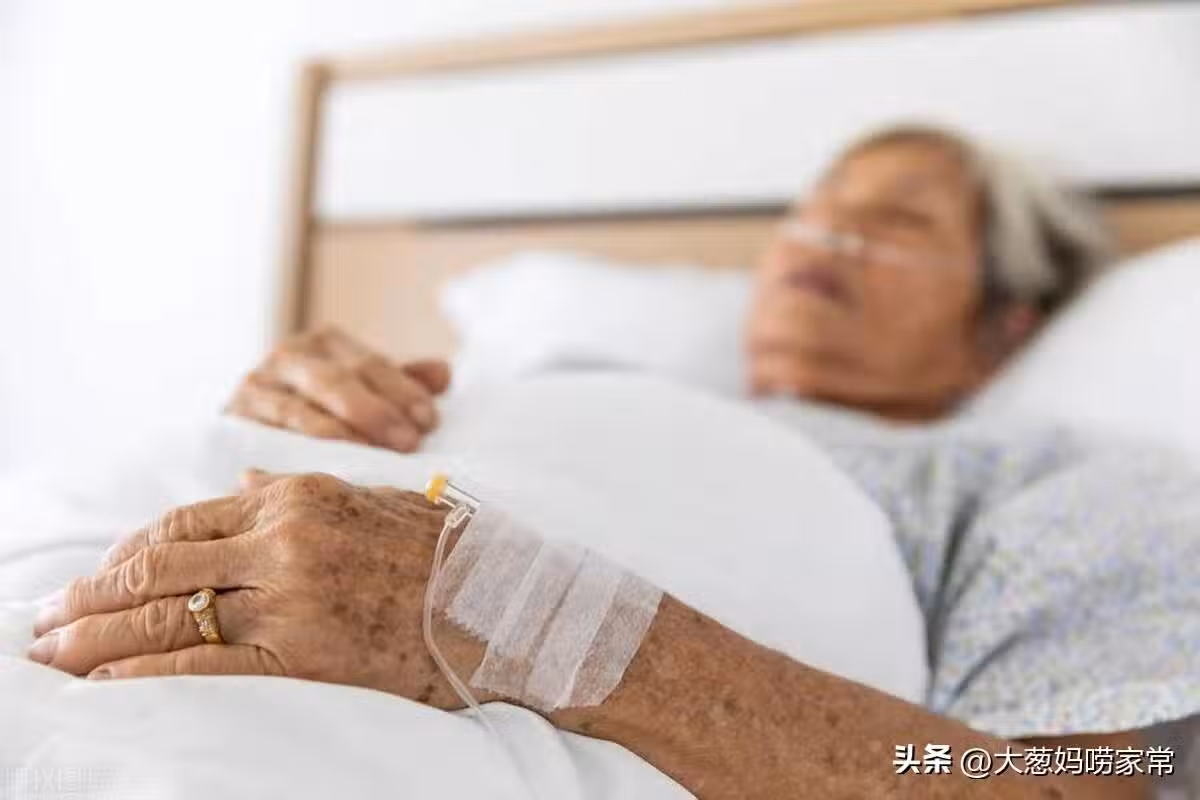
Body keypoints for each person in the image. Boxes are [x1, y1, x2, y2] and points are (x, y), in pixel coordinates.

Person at [27, 126, 1198, 799]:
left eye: (896, 224)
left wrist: (528, 617)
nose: (823, 240)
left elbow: (1073, 785)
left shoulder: (1051, 478)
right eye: (811, 212)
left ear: (1002, 326)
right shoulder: (545, 369)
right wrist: (295, 410)